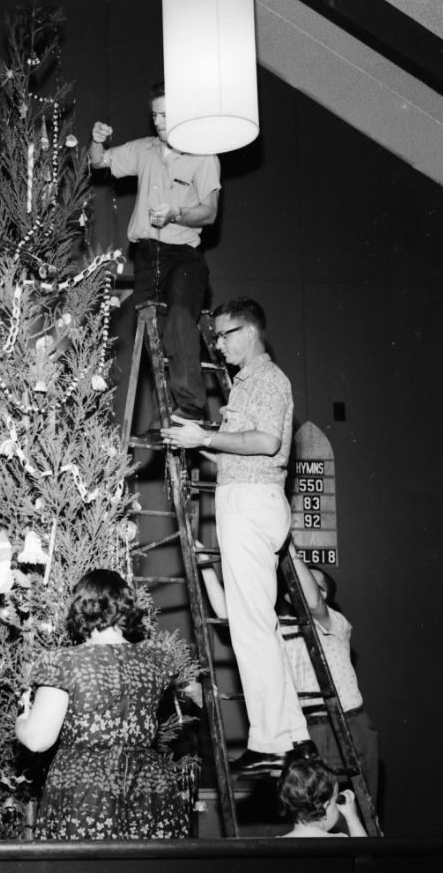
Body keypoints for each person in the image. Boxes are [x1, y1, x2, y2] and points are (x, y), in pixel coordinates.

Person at [161, 298, 313, 774]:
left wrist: (203, 438)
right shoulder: (252, 384)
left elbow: (266, 442)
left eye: (225, 335)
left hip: (250, 505)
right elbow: (239, 455)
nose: (219, 344)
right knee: (258, 627)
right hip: (247, 499)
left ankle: (269, 742)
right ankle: (294, 736)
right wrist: (193, 438)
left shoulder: (268, 379)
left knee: (250, 631)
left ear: (249, 332)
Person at [15, 568, 193, 839]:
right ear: (126, 607)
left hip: (84, 787)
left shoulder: (64, 662)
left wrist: (22, 720)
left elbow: (38, 740)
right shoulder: (156, 660)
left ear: (80, 607)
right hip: (149, 787)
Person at [198, 546, 379, 797]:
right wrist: (205, 566)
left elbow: (313, 603)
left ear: (325, 594)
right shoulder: (278, 628)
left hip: (348, 725)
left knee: (356, 809)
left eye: (313, 584)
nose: (299, 586)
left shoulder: (335, 623)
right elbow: (231, 617)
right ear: (286, 597)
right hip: (307, 730)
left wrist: (290, 551)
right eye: (293, 582)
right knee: (314, 810)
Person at [90, 81, 221, 422]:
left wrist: (176, 213)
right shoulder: (145, 149)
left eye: (166, 115)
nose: (159, 122)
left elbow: (209, 212)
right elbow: (100, 162)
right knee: (151, 334)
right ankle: (165, 414)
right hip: (147, 256)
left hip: (184, 256)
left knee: (179, 318)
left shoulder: (204, 156)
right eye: (155, 115)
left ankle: (190, 408)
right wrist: (96, 140)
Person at [277, 757, 367, 838]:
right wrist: (352, 818)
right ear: (325, 806)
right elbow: (365, 854)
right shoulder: (339, 843)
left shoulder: (275, 846)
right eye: (336, 800)